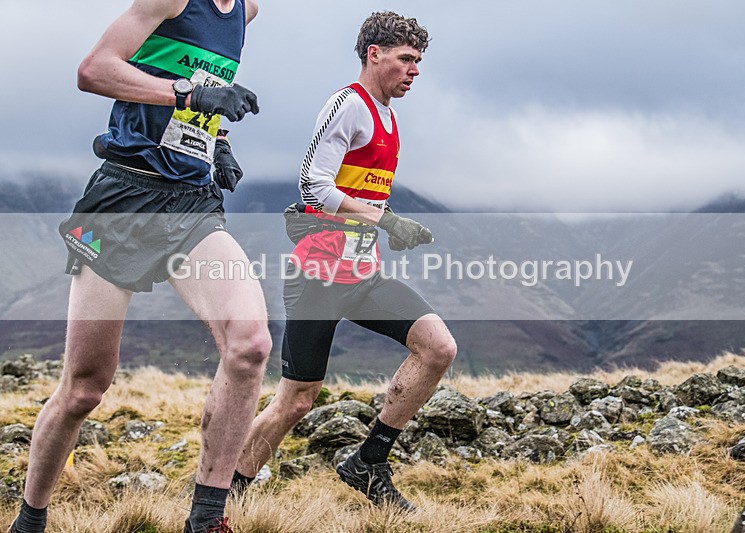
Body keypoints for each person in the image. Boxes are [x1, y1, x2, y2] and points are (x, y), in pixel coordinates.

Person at [8, 1, 270, 532]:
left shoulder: (245, 12)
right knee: (85, 387)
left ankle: (206, 519)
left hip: (192, 203)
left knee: (250, 345)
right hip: (122, 199)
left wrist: (217, 140)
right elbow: (94, 70)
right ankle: (30, 521)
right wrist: (188, 95)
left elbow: (201, 86)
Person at [231, 11, 457, 511]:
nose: (415, 70)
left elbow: (360, 195)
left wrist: (388, 226)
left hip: (362, 274)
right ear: (374, 54)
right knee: (297, 400)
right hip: (317, 277)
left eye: (419, 61)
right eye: (406, 59)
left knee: (438, 347)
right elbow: (313, 185)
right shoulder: (348, 105)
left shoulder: (388, 116)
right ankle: (227, 493)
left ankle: (369, 461)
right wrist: (386, 221)